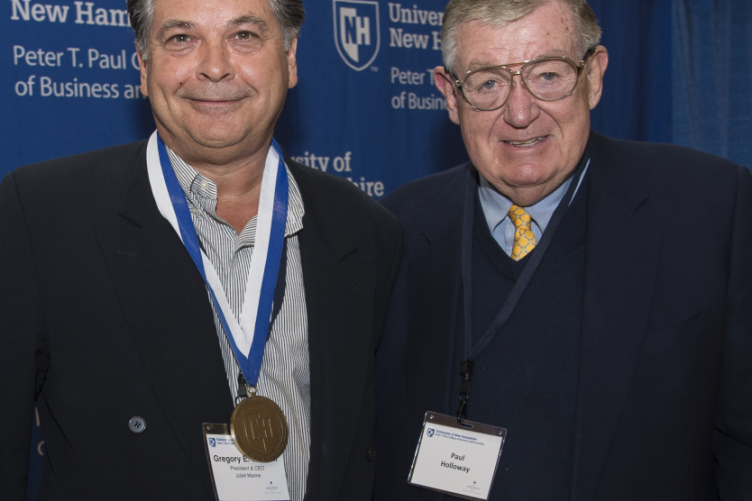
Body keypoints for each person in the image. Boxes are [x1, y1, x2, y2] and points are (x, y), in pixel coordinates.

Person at [0, 0, 401, 499]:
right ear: (144, 67)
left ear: (291, 58)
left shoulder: (368, 231)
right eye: (181, 39)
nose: (214, 66)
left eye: (245, 36)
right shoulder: (40, 217)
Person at [375, 0, 752, 499]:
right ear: (450, 95)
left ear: (593, 76)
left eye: (547, 75)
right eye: (488, 81)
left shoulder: (709, 210)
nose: (520, 111)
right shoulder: (398, 228)